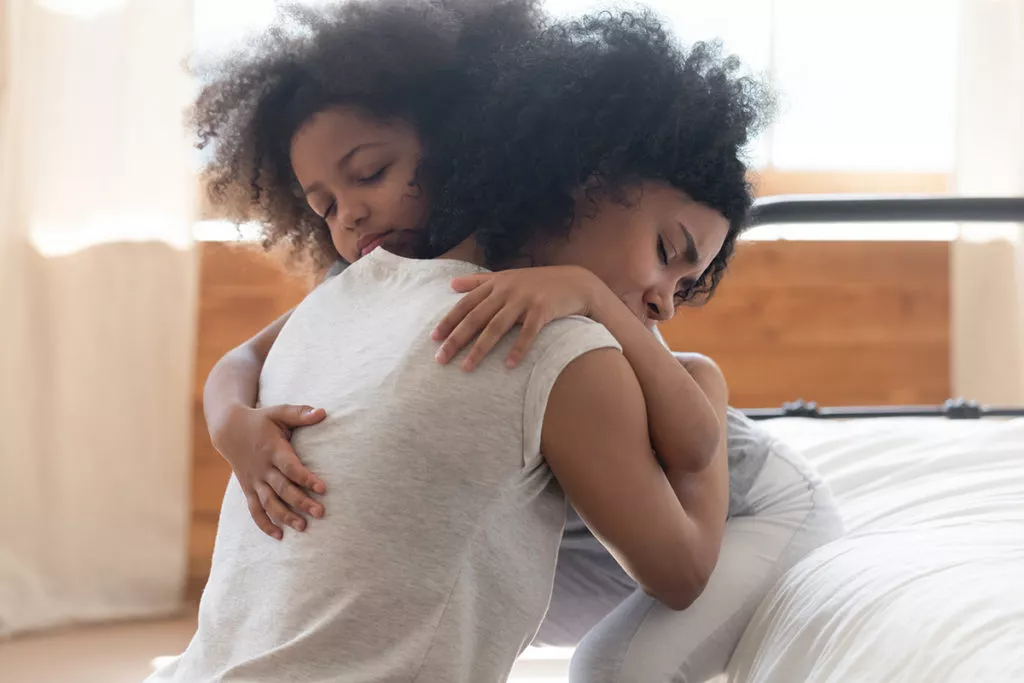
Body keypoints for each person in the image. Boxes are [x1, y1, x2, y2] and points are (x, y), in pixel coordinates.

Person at [183, 2, 843, 682]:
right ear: (588, 173)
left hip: (746, 506)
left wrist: (594, 297)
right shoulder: (389, 277)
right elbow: (249, 358)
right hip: (584, 517)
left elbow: (697, 455)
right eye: (324, 206)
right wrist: (234, 422)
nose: (665, 301)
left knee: (611, 666)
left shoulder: (573, 335)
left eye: (686, 275)